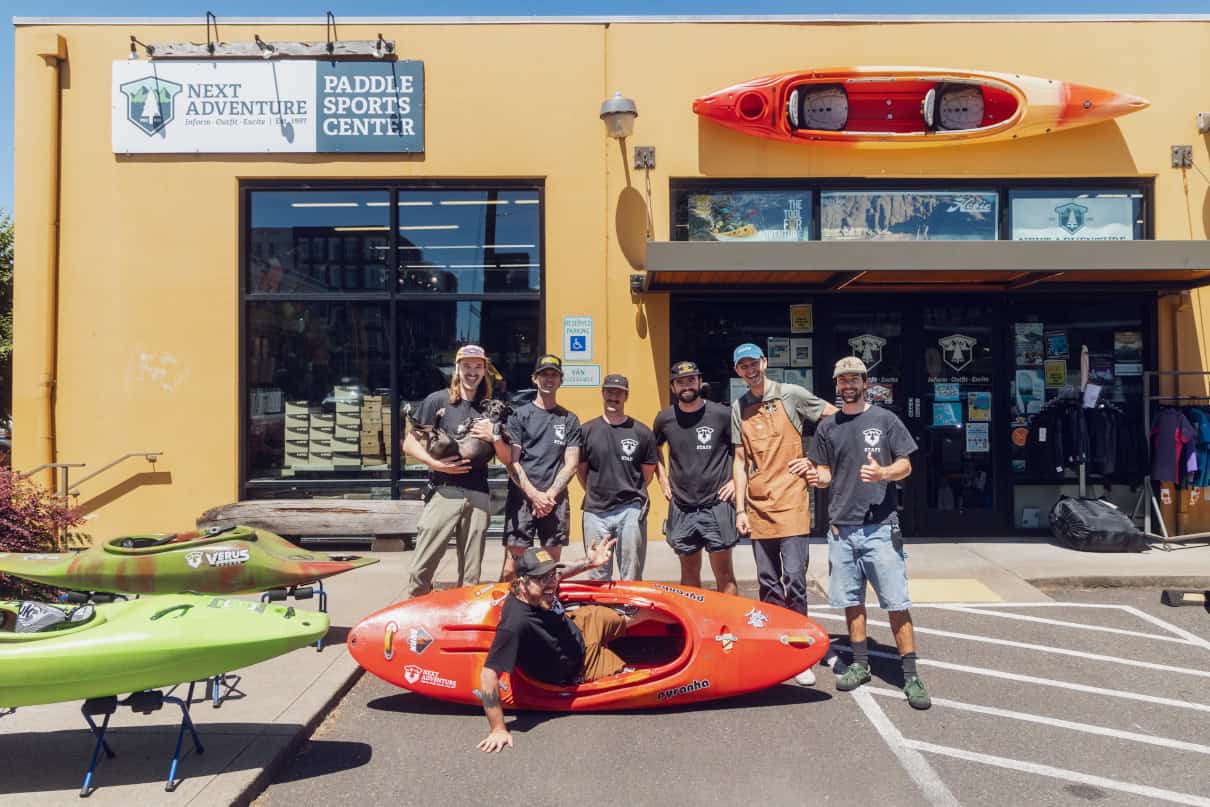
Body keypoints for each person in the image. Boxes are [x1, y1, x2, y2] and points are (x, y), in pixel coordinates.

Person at [806, 356, 931, 710]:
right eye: (842, 380)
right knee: (852, 601)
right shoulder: (828, 426)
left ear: (865, 382)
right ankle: (860, 664)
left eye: (853, 379)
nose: (848, 385)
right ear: (837, 385)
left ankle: (910, 676)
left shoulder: (885, 419)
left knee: (896, 602)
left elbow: (906, 464)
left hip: (880, 527)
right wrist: (817, 478)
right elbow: (826, 473)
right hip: (842, 528)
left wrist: (883, 473)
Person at [730, 342, 837, 685]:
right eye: (743, 366)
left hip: (792, 501)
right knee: (768, 582)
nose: (750, 371)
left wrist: (815, 459)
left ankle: (800, 651)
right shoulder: (739, 407)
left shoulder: (791, 394)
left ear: (764, 363)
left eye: (754, 364)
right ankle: (776, 646)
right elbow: (740, 462)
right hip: (759, 505)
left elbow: (834, 417)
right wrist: (740, 509)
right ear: (738, 371)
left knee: (794, 578)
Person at [476, 540, 624, 752]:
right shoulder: (516, 623)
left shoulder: (539, 587)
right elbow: (488, 674)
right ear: (522, 583)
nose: (551, 583)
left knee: (632, 615)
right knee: (633, 674)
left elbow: (561, 572)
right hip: (580, 664)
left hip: (574, 628)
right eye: (542, 578)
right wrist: (498, 728)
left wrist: (590, 562)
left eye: (551, 575)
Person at [401, 344, 511, 598]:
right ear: (457, 369)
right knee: (420, 570)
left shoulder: (490, 409)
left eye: (478, 366)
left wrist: (494, 437)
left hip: (478, 494)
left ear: (484, 370)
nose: (472, 372)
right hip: (444, 491)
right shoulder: (438, 400)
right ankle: (417, 610)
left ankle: (463, 617)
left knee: (471, 577)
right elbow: (409, 443)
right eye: (467, 366)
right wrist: (435, 464)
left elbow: (507, 459)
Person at [653, 360, 739, 595]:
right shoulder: (665, 418)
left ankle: (728, 618)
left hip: (717, 504)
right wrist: (662, 478)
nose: (686, 386)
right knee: (689, 574)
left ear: (700, 382)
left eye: (691, 380)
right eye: (680, 382)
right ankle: (695, 619)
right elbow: (654, 450)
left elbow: (743, 452)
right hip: (682, 506)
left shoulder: (722, 414)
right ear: (673, 387)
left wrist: (736, 481)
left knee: (724, 575)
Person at [500, 354, 583, 581]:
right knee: (511, 570)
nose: (549, 379)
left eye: (554, 375)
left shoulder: (569, 419)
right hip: (521, 499)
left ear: (560, 380)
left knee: (550, 568)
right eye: (544, 374)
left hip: (554, 502)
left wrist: (548, 496)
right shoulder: (519, 415)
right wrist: (534, 495)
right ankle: (511, 604)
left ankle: (547, 604)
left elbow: (571, 463)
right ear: (534, 378)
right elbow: (512, 461)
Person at [577, 374, 658, 581]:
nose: (613, 397)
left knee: (631, 574)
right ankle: (602, 605)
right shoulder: (587, 430)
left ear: (626, 396)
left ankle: (628, 604)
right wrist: (597, 491)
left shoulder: (642, 432)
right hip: (595, 511)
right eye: (609, 391)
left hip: (630, 509)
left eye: (619, 393)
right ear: (602, 393)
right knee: (597, 574)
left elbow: (647, 474)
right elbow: (581, 470)